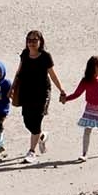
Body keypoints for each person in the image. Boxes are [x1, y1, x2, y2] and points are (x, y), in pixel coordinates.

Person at [10, 32, 63, 160]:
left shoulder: (45, 57)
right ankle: (41, 137)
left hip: (42, 93)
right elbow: (19, 71)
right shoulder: (24, 54)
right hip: (26, 92)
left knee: (36, 121)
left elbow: (52, 75)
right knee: (27, 121)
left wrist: (61, 90)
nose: (32, 42)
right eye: (29, 40)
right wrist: (12, 88)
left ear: (40, 41)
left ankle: (31, 151)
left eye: (35, 40)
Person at [61, 55, 98, 157]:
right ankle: (84, 154)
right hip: (90, 108)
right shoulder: (86, 80)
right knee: (87, 130)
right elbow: (77, 94)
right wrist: (66, 99)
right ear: (92, 67)